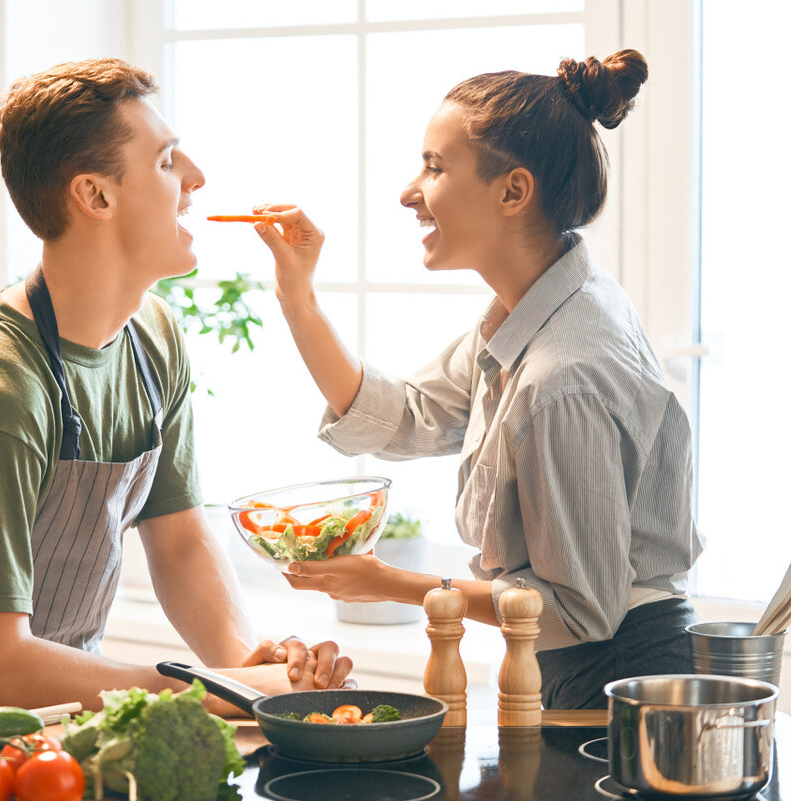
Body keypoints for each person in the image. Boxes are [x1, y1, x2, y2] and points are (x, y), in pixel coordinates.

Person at [0, 58, 353, 712]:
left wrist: (243, 660)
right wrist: (214, 690)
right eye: (167, 161)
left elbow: (179, 537)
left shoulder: (154, 336)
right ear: (95, 195)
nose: (196, 178)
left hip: (49, 723)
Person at [247, 50, 703, 710]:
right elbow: (404, 416)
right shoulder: (532, 314)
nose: (409, 191)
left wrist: (391, 582)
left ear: (513, 192)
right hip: (590, 670)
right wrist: (297, 294)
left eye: (434, 167)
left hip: (619, 682)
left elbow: (580, 609)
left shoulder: (562, 376)